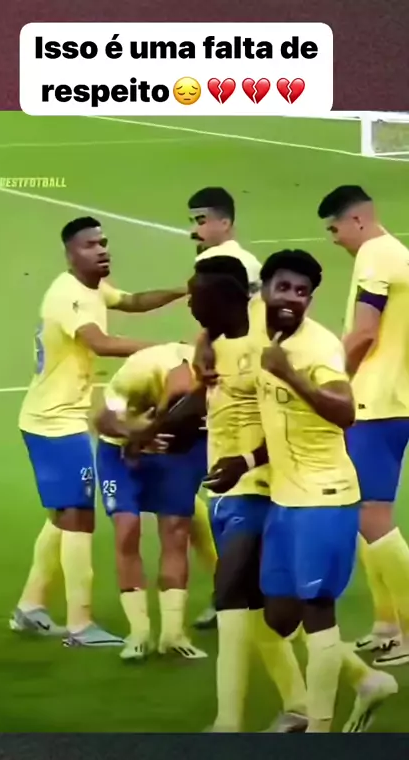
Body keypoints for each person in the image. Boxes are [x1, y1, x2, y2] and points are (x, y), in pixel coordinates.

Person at [13, 216, 186, 647]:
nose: (102, 249)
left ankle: (30, 607)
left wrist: (183, 289)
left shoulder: (93, 288)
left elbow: (134, 300)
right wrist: (163, 349)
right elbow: (101, 343)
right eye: (90, 245)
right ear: (70, 254)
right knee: (79, 518)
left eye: (103, 242)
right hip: (55, 421)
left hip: (59, 416)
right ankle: (80, 625)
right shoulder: (68, 295)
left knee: (64, 515)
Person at [244, 249, 397, 732]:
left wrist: (289, 373)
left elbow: (344, 410)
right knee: (277, 615)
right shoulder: (259, 333)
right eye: (284, 288)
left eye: (302, 292)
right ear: (265, 290)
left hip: (326, 499)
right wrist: (244, 462)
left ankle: (319, 729)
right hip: (284, 499)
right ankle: (368, 683)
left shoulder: (320, 348)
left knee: (317, 612)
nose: (293, 298)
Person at [188, 255, 308, 732]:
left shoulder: (267, 344)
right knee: (257, 614)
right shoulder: (218, 340)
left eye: (197, 299)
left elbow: (290, 424)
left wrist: (246, 461)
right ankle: (313, 699)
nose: (190, 308)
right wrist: (149, 432)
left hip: (258, 490)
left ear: (224, 299)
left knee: (231, 600)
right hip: (226, 491)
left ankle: (228, 724)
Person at [318, 186, 409, 665]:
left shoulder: (374, 256)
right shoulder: (399, 254)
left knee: (373, 517)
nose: (334, 239)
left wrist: (333, 382)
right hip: (394, 401)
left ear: (356, 220)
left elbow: (365, 332)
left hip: (373, 404)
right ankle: (386, 624)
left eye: (334, 228)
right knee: (366, 513)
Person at [94, 342, 208, 661]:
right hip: (120, 447)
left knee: (176, 531)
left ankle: (173, 634)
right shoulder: (139, 371)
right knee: (127, 528)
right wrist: (138, 435)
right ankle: (139, 632)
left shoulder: (222, 377)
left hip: (179, 450)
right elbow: (102, 420)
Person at [187, 186, 262, 630]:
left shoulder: (219, 262)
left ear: (225, 221)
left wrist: (203, 348)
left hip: (234, 383)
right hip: (237, 375)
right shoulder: (248, 261)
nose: (194, 230)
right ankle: (239, 591)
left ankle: (232, 594)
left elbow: (222, 319)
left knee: (230, 489)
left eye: (201, 220)